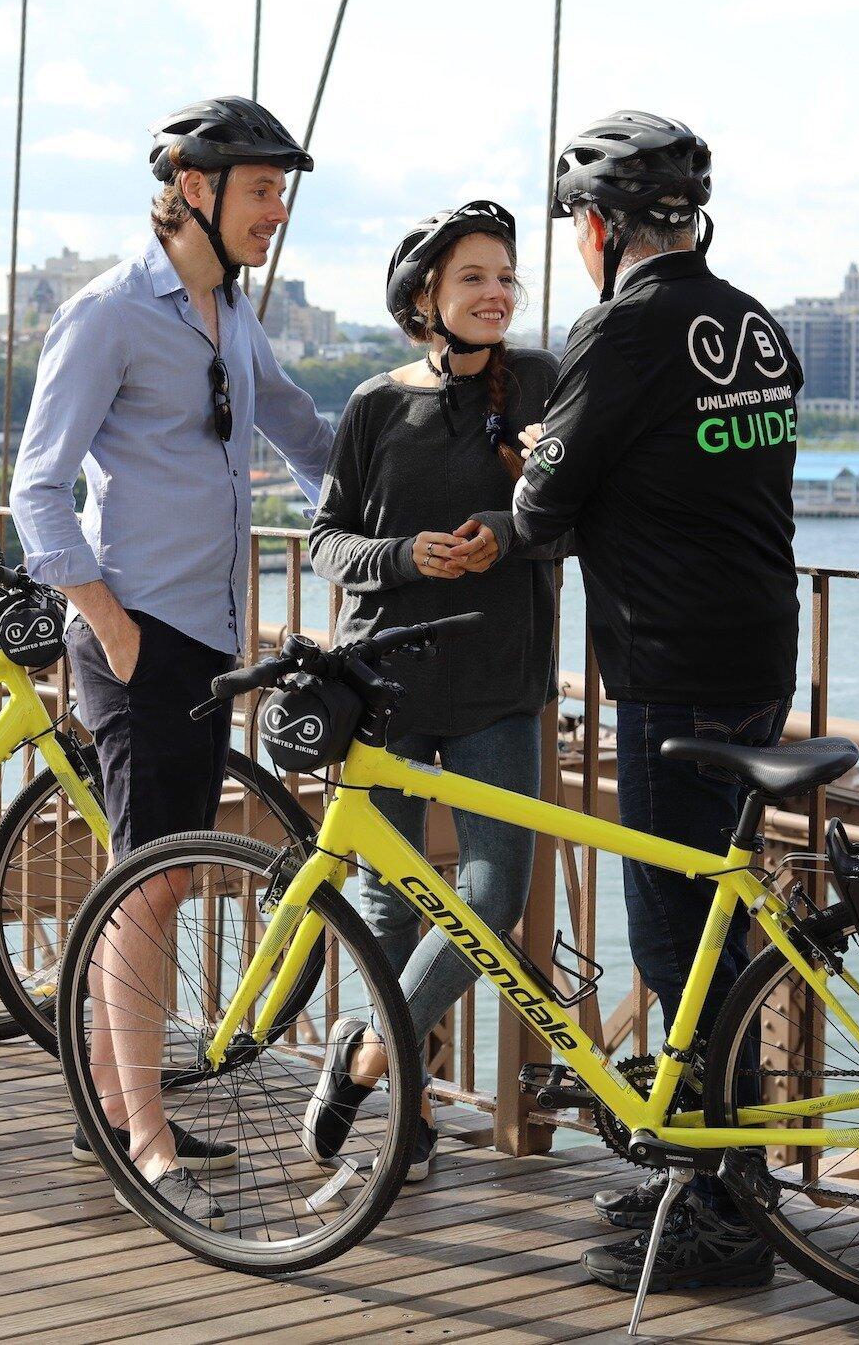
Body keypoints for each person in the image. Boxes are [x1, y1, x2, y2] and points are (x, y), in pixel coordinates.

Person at [9, 96, 334, 1221]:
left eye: (280, 191)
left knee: (164, 875)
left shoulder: (228, 313)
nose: (275, 210)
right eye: (259, 190)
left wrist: (435, 489)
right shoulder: (107, 313)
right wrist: (110, 619)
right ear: (193, 187)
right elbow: (36, 488)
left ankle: (118, 1097)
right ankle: (143, 1136)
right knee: (148, 889)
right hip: (140, 634)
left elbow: (305, 436)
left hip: (205, 636)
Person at [509, 111, 802, 1293]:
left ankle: (726, 1212)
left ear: (596, 228)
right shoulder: (752, 324)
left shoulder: (622, 329)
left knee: (676, 935)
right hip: (758, 655)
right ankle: (699, 1161)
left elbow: (539, 512)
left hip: (669, 665)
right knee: (715, 926)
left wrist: (540, 453)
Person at [295, 200, 563, 1185]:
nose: (495, 293)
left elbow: (577, 515)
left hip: (500, 683)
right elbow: (325, 541)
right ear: (425, 298)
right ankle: (404, 1112)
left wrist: (510, 528)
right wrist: (407, 554)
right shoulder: (375, 405)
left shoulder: (540, 382)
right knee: (389, 901)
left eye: (505, 277)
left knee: (492, 893)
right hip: (388, 684)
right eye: (473, 279)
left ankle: (367, 1057)